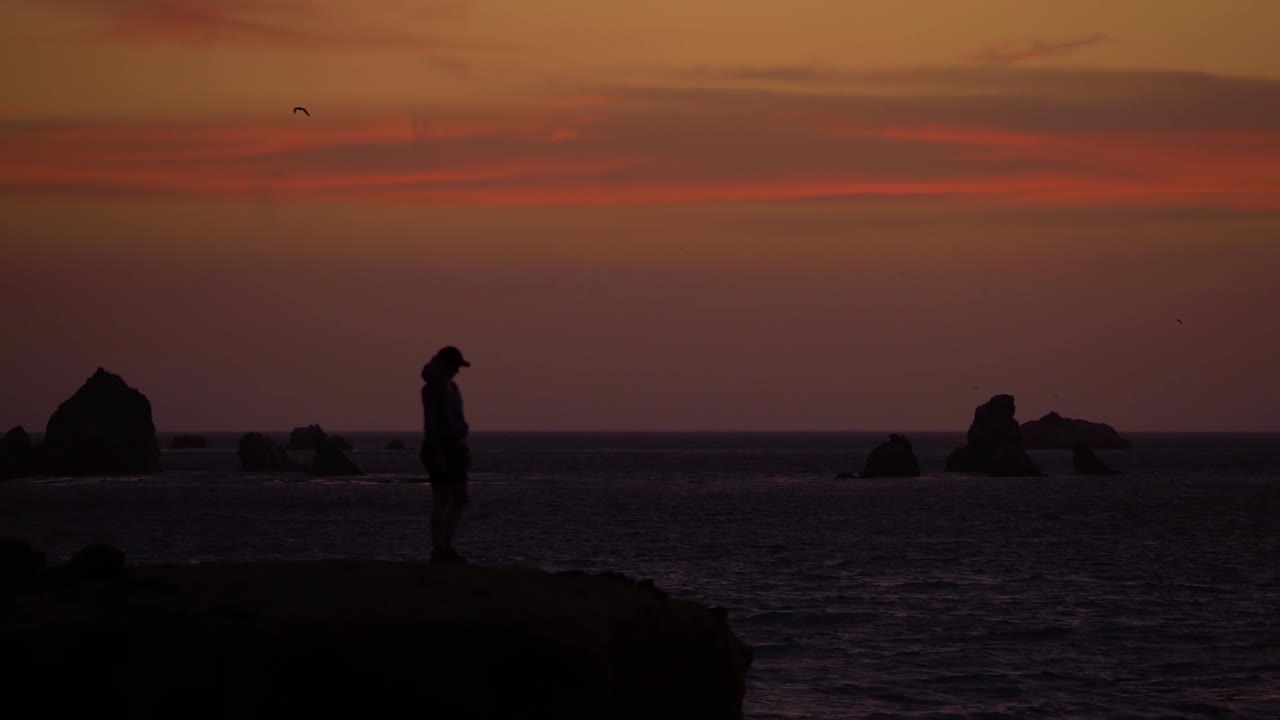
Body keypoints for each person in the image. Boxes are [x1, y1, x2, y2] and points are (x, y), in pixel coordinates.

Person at [421, 345, 472, 564]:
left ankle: (445, 547)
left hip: (456, 447)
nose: (458, 371)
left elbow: (457, 419)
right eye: (455, 366)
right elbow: (433, 423)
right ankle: (439, 550)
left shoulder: (454, 388)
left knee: (460, 498)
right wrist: (438, 452)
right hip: (438, 448)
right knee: (442, 499)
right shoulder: (431, 390)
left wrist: (463, 445)